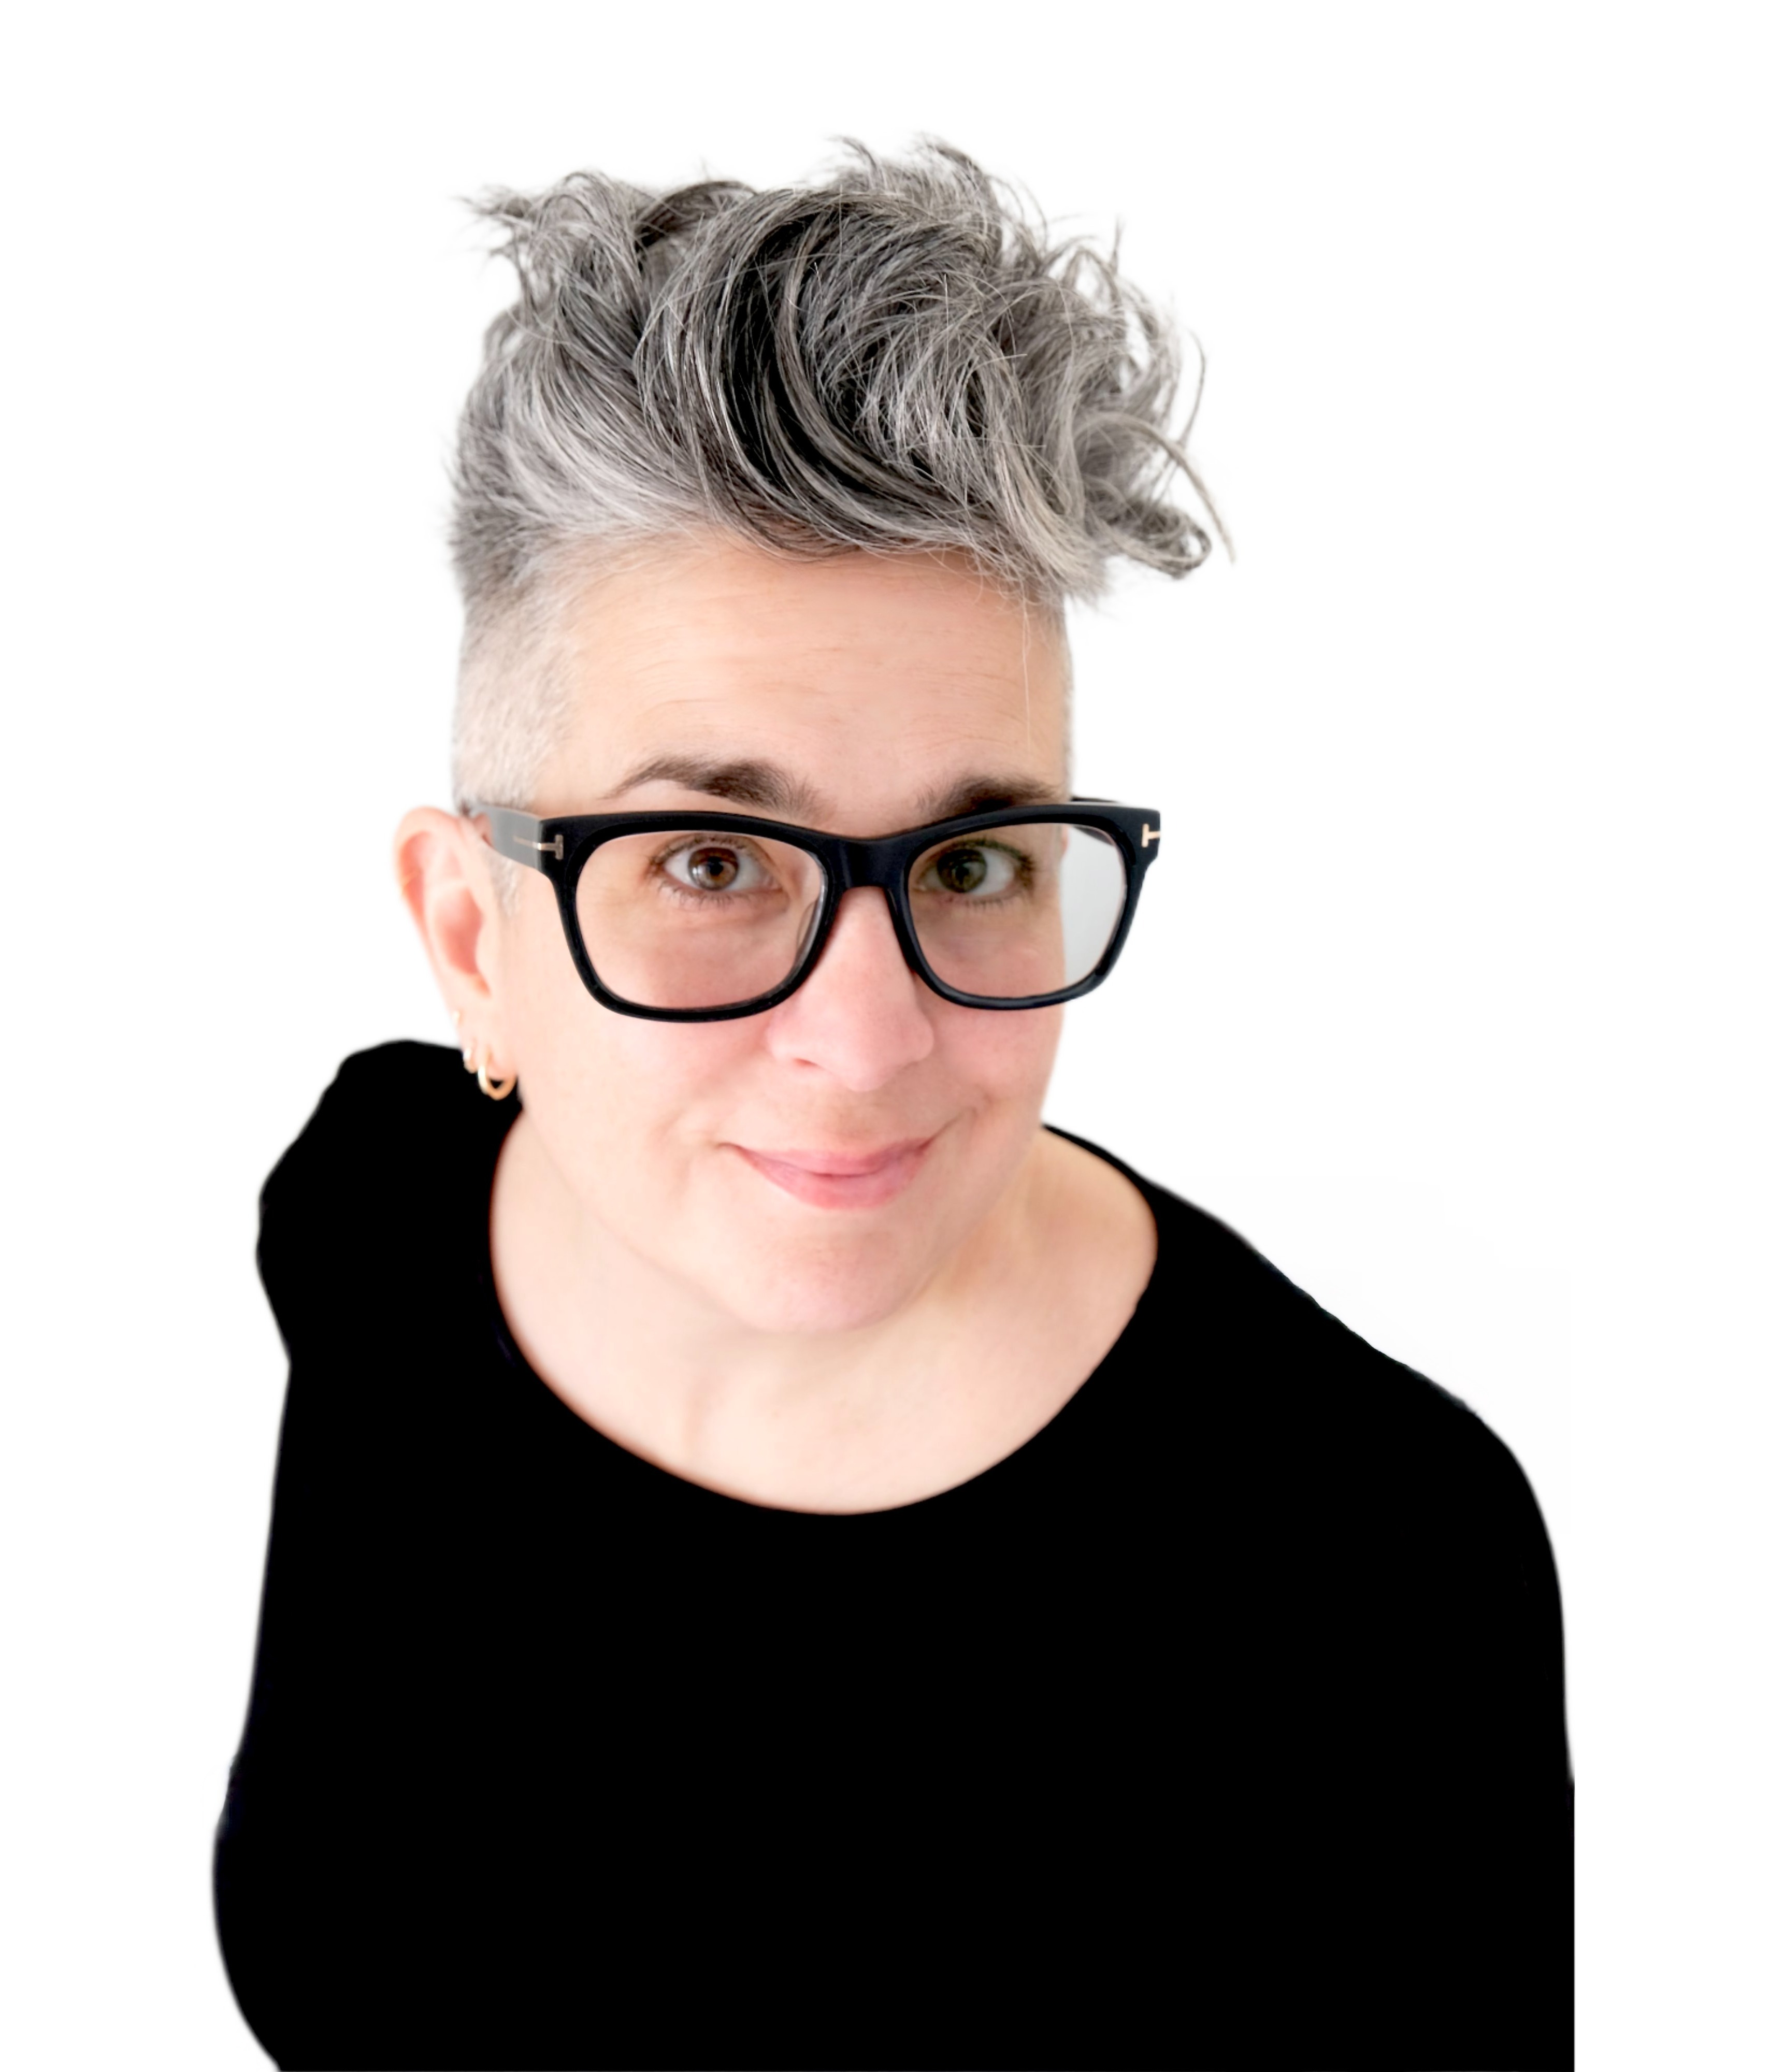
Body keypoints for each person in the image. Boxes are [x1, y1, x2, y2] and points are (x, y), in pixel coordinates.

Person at [213, 142, 1570, 2070]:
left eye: (972, 862)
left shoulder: (1371, 1568)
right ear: (468, 937)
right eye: (709, 862)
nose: (865, 1044)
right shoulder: (373, 1214)